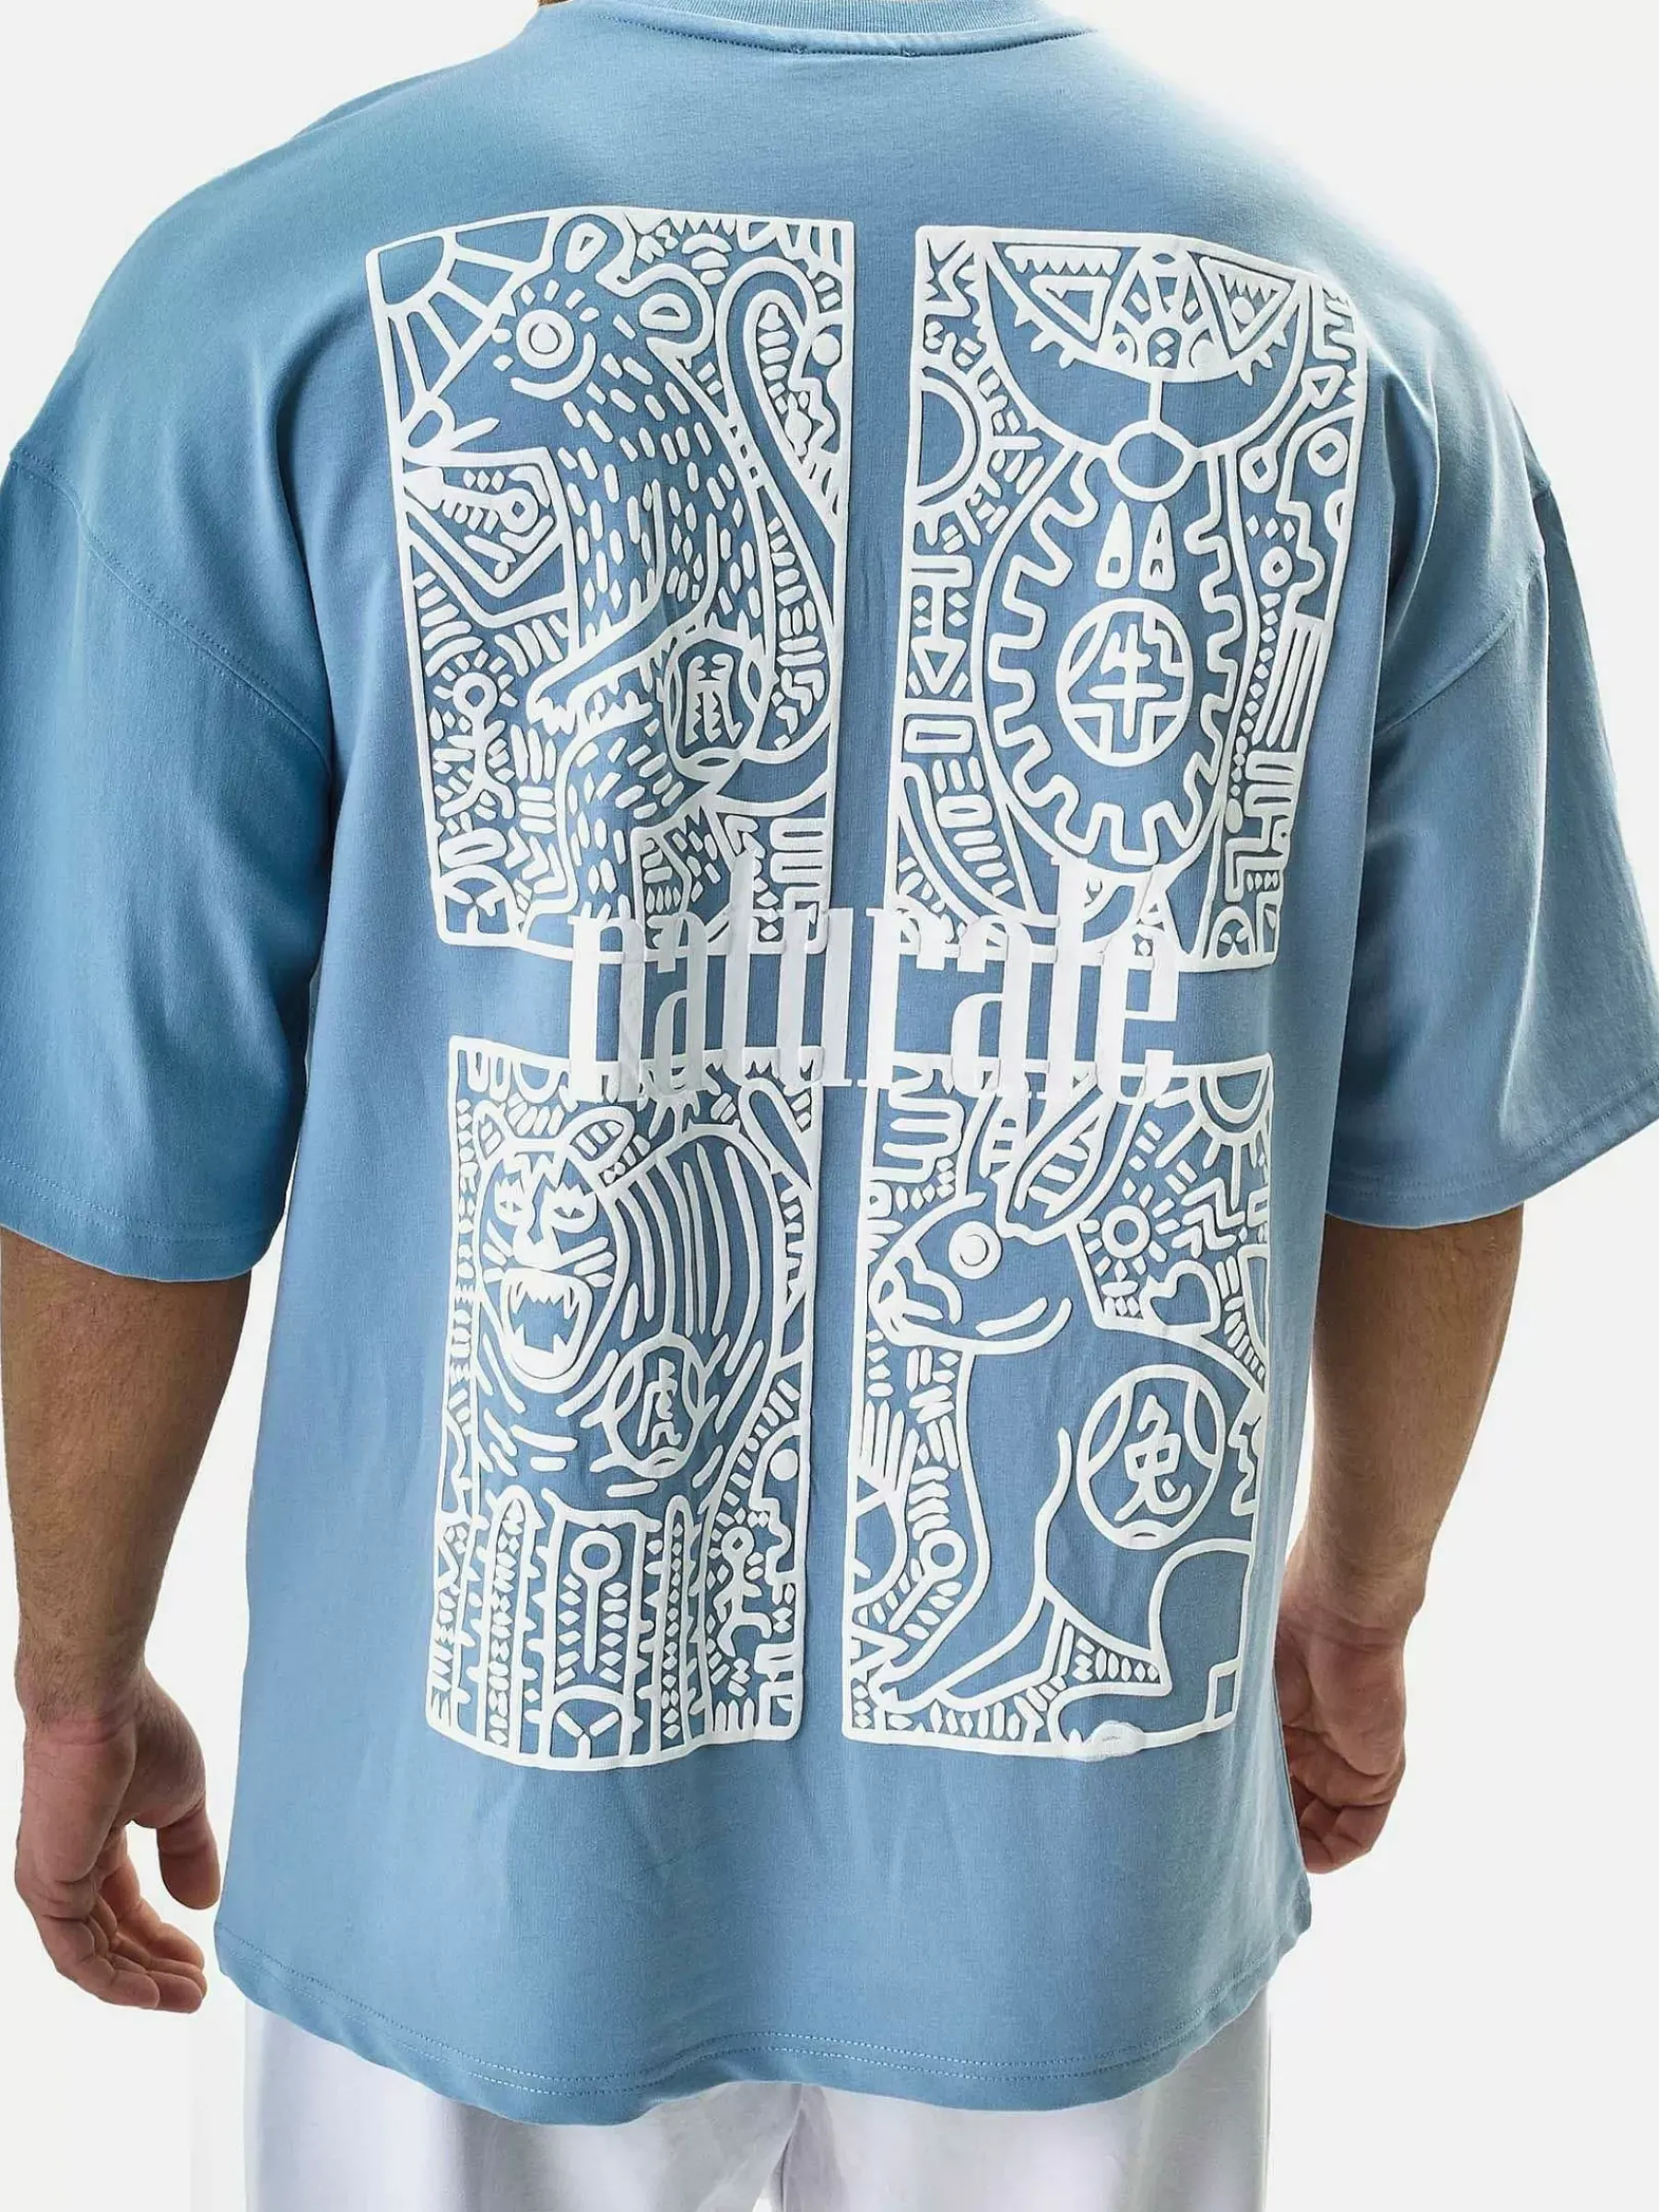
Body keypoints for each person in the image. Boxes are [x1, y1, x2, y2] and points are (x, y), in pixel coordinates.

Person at [3, 2, 1655, 2206]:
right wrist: (1362, 1605)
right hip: (1086, 1834)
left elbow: (117, 1149)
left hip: (468, 1831)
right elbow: (1439, 1137)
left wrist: (75, 1674)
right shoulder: (1363, 340)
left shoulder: (267, 299)